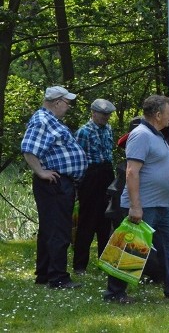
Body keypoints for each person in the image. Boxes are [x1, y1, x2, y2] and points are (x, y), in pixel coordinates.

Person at [103, 95, 169, 303]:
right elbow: (131, 172)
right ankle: (114, 293)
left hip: (161, 206)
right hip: (144, 206)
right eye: (168, 113)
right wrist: (136, 207)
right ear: (157, 115)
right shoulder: (141, 135)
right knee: (131, 248)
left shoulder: (155, 134)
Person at [21, 85, 88, 288]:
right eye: (67, 103)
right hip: (54, 183)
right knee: (59, 230)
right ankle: (58, 277)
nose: (68, 107)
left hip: (58, 182)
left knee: (50, 229)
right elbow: (28, 149)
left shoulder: (50, 121)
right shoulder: (42, 121)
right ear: (57, 102)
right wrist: (40, 172)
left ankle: (44, 274)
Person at [73, 98, 117, 274]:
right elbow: (79, 157)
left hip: (106, 173)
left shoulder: (108, 129)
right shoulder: (84, 131)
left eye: (108, 115)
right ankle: (80, 265)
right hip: (91, 175)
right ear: (93, 113)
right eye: (103, 114)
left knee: (106, 220)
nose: (106, 117)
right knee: (87, 221)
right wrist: (79, 182)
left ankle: (105, 261)